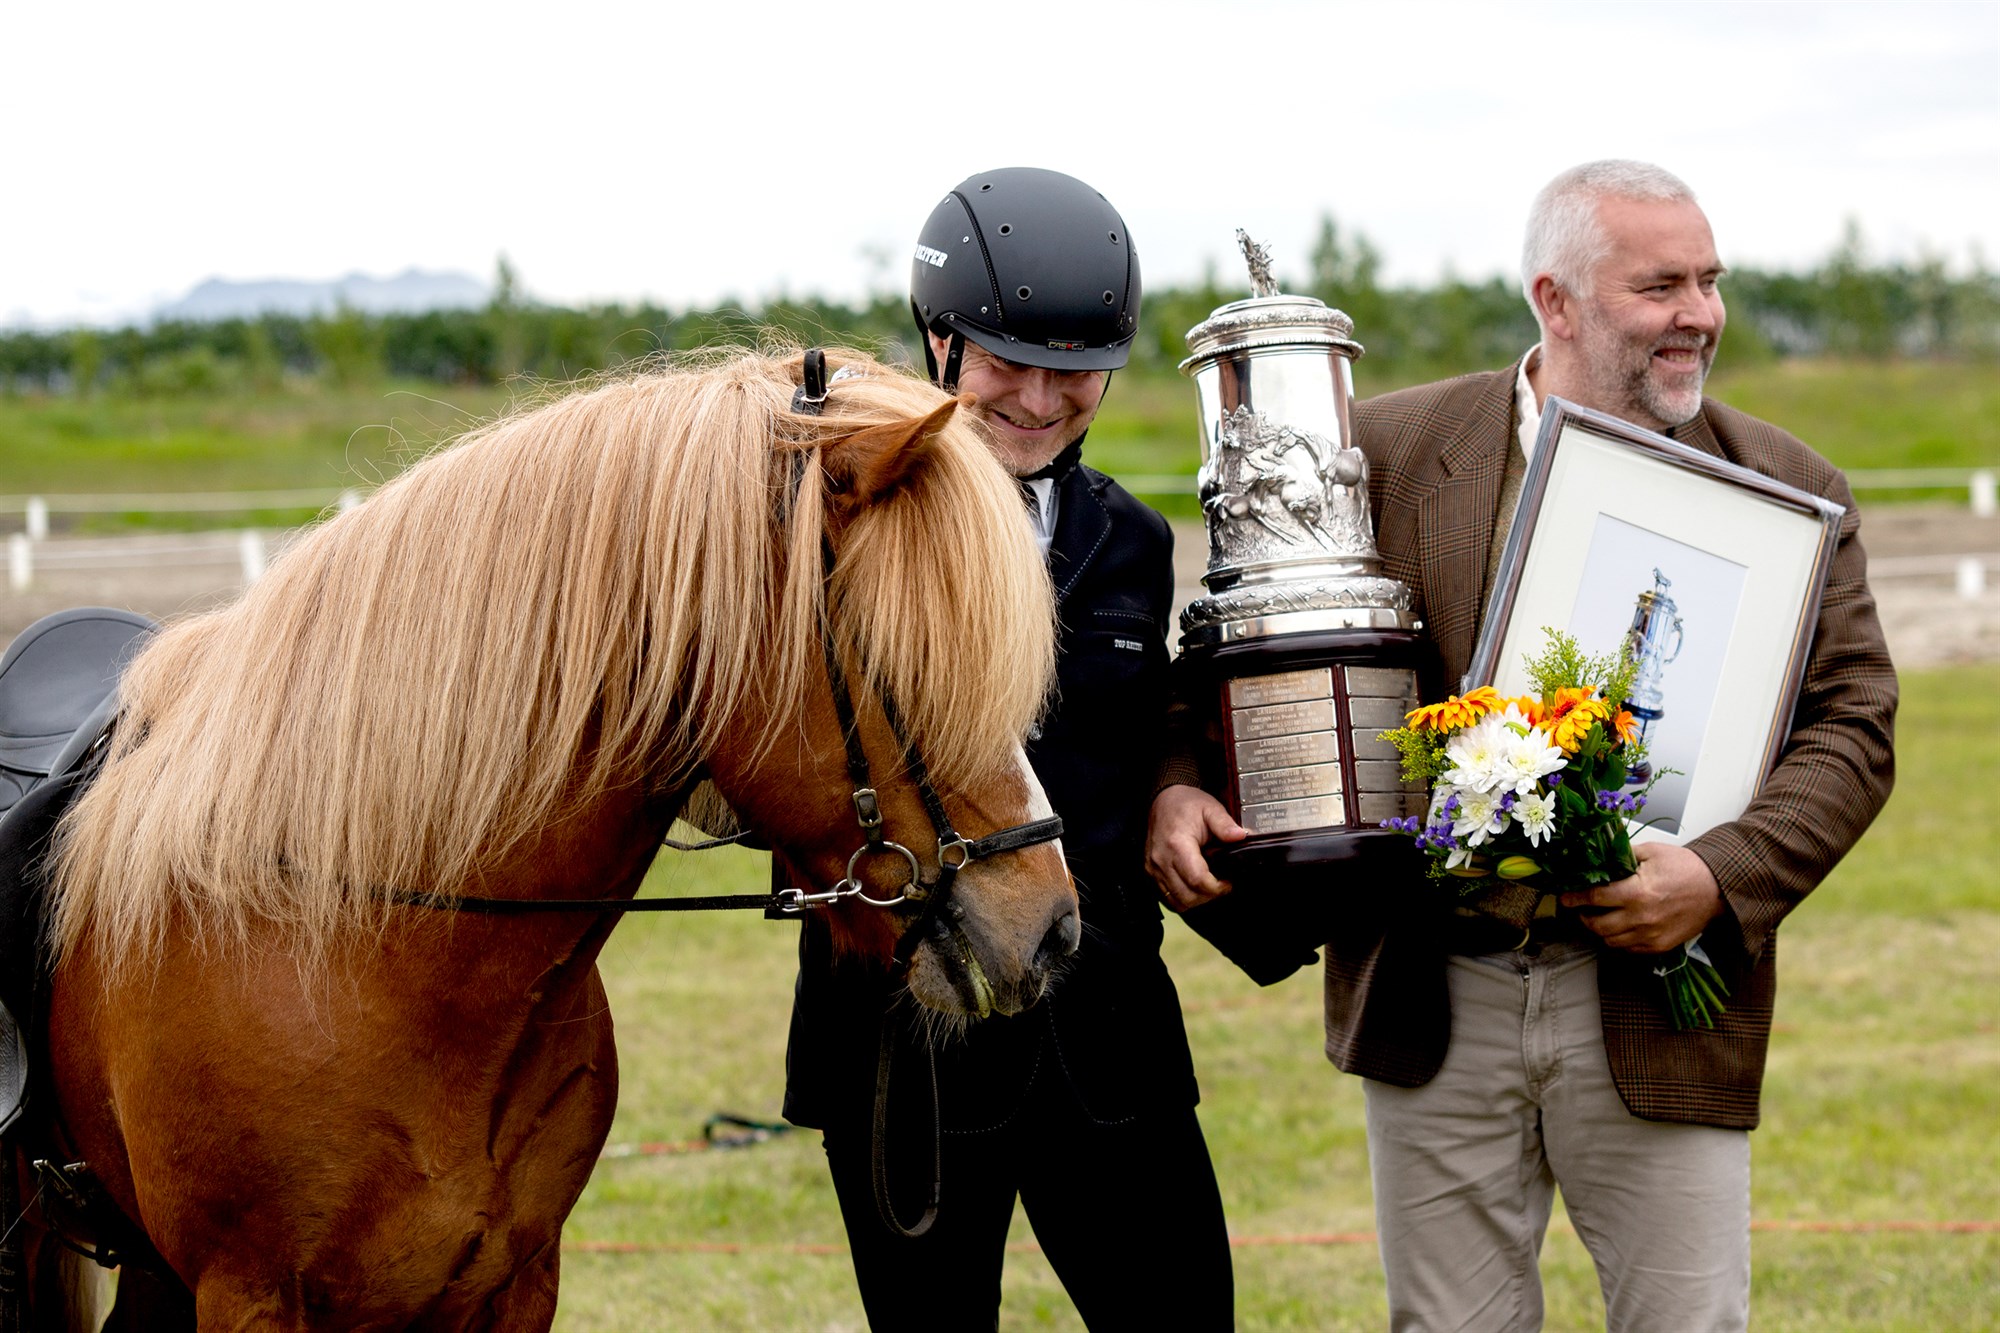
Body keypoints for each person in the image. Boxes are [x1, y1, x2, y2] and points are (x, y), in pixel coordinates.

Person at [1148, 160, 1897, 1331]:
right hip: (1434, 995)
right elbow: (1232, 663)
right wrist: (1181, 785)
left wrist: (1714, 876)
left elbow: (1854, 723)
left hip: (1655, 1000)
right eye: (1658, 286)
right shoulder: (1381, 450)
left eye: (1709, 281)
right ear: (1555, 300)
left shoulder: (1789, 490)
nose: (1697, 313)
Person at [784, 167, 1235, 1330]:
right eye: (1003, 360)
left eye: (1073, 367)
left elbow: (1154, 719)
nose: (1038, 398)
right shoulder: (836, 525)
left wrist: (1180, 782)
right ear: (939, 341)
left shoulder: (1130, 540)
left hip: (1109, 1038)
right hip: (907, 1042)